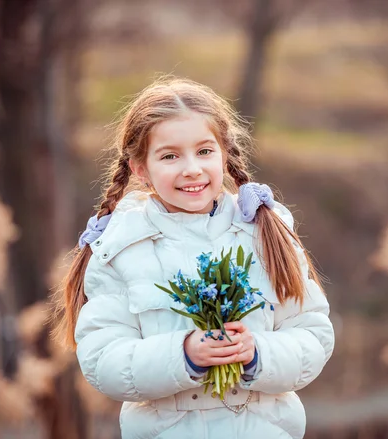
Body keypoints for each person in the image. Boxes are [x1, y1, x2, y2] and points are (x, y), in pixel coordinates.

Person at [52, 77, 335, 439]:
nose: (192, 169)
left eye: (204, 151)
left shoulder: (264, 232)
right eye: (170, 156)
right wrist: (182, 354)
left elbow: (311, 334)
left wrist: (256, 353)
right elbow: (103, 360)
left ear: (224, 154)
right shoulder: (121, 248)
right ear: (140, 168)